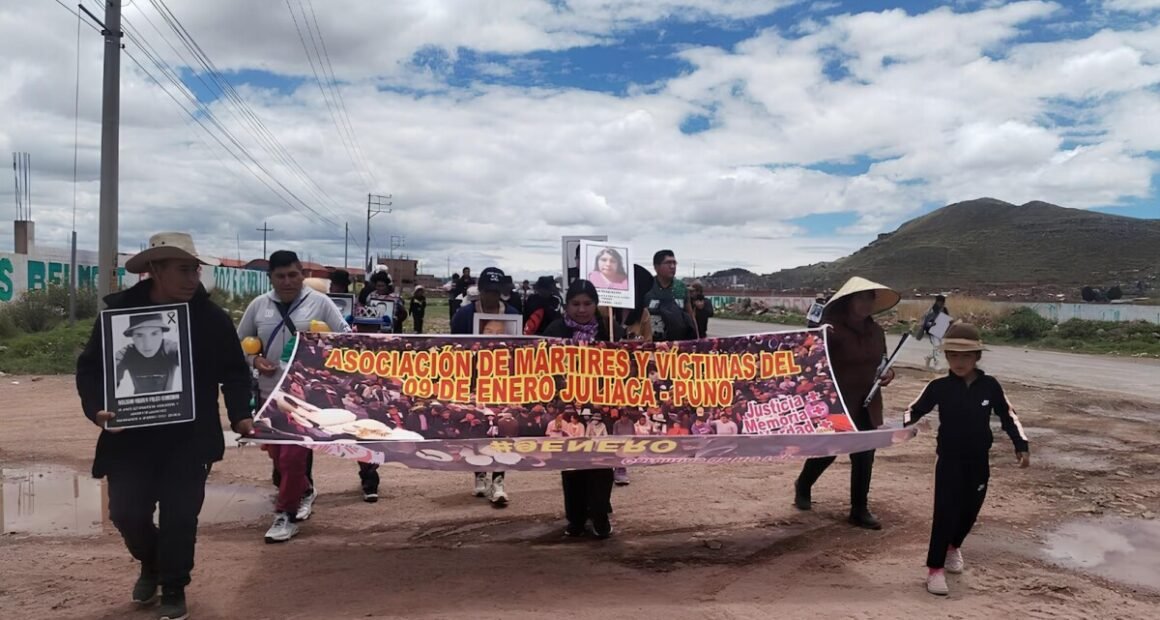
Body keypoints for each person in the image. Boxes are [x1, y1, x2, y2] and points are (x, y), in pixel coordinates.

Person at [76, 232, 253, 620]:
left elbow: (236, 373)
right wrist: (98, 409)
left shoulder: (212, 319)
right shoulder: (117, 316)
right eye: (184, 270)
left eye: (196, 270)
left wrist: (241, 413)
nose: (193, 279)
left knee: (180, 516)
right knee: (126, 513)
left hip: (188, 439)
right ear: (154, 270)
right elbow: (90, 369)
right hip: (130, 439)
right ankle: (151, 564)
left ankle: (174, 586)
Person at [903, 323, 1030, 596]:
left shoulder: (990, 386)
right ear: (946, 357)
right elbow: (913, 410)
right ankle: (935, 569)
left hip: (979, 460)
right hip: (949, 459)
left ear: (977, 357)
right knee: (944, 513)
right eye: (953, 356)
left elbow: (1009, 416)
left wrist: (1021, 444)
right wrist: (903, 428)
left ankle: (953, 547)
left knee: (970, 510)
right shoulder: (939, 387)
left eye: (966, 356)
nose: (959, 362)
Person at [237, 250, 350, 543]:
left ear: (302, 274)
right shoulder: (258, 306)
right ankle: (306, 489)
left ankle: (284, 515)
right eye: (280, 276)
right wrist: (255, 361)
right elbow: (240, 343)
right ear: (270, 277)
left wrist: (322, 355)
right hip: (267, 394)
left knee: (291, 458)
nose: (287, 281)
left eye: (293, 275)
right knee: (277, 456)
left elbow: (345, 338)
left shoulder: (320, 303)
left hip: (304, 397)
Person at [793, 277, 899, 530]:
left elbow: (883, 363)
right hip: (838, 401)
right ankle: (804, 484)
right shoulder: (830, 329)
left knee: (865, 455)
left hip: (868, 402)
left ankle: (859, 509)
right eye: (860, 297)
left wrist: (888, 375)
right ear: (849, 301)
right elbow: (809, 360)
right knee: (829, 450)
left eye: (869, 298)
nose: (865, 303)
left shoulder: (877, 332)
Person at [542, 279, 623, 538]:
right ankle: (575, 519)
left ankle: (599, 515)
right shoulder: (554, 330)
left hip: (602, 406)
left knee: (601, 462)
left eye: (587, 303)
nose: (581, 309)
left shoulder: (611, 331)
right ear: (566, 305)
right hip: (568, 407)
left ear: (596, 305)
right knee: (572, 464)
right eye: (575, 304)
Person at [452, 266, 520, 505]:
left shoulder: (512, 314)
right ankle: (479, 474)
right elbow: (454, 348)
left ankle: (499, 480)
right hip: (473, 380)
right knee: (479, 426)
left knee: (501, 427)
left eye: (496, 291)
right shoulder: (464, 315)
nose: (491, 296)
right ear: (479, 290)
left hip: (502, 381)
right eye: (487, 291)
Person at [328, 268, 382, 503]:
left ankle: (370, 478)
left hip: (374, 403)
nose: (369, 331)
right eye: (364, 327)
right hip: (352, 401)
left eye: (373, 328)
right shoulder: (347, 347)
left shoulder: (385, 349)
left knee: (372, 439)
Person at [114, 313, 182, 396]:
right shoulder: (125, 354)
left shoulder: (170, 348)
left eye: (154, 334)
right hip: (138, 405)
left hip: (168, 405)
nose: (147, 344)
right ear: (132, 337)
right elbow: (108, 383)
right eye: (139, 335)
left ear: (162, 334)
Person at [646, 250, 697, 341]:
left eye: (674, 263)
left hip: (677, 343)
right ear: (656, 267)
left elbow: (690, 316)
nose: (672, 266)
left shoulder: (681, 288)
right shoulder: (646, 287)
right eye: (668, 263)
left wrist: (697, 339)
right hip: (652, 343)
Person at [917, 295, 951, 370]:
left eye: (942, 302)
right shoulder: (932, 309)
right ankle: (937, 364)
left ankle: (928, 357)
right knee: (936, 347)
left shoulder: (944, 309)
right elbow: (926, 319)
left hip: (941, 331)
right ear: (937, 301)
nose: (941, 304)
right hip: (932, 331)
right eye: (939, 302)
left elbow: (947, 320)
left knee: (939, 348)